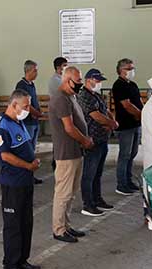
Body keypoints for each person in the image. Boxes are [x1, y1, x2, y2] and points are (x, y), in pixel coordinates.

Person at [0, 89, 41, 269]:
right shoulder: (2, 126)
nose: (28, 109)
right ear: (13, 105)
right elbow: (4, 155)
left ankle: (22, 259)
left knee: (26, 222)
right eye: (25, 106)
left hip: (26, 181)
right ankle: (10, 263)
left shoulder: (18, 122)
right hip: (12, 182)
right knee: (13, 225)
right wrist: (28, 165)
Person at [49, 66, 93, 243]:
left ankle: (66, 225)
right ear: (67, 81)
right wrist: (85, 141)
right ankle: (59, 229)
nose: (80, 84)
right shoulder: (60, 99)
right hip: (66, 153)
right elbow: (69, 127)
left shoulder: (70, 97)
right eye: (78, 81)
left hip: (75, 152)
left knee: (71, 192)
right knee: (63, 193)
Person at [78, 69, 118, 217]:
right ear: (89, 80)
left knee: (98, 173)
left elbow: (105, 111)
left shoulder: (97, 95)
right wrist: (111, 124)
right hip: (92, 139)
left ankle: (97, 199)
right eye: (97, 80)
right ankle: (88, 204)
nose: (99, 83)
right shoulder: (84, 96)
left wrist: (111, 121)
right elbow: (95, 115)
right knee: (89, 173)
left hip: (102, 139)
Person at [112, 58, 143, 196]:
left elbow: (138, 101)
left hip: (136, 124)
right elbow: (126, 105)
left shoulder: (133, 84)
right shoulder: (119, 85)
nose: (132, 71)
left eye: (132, 68)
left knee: (133, 153)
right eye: (129, 69)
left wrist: (143, 113)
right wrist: (140, 115)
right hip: (125, 125)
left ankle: (128, 180)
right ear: (121, 70)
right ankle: (121, 183)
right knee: (124, 155)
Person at [15, 60, 44, 184]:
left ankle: (30, 174)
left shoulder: (31, 84)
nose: (36, 73)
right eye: (35, 70)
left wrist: (39, 109)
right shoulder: (21, 85)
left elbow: (34, 101)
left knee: (32, 149)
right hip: (27, 122)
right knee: (26, 149)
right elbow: (25, 104)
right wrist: (36, 112)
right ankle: (25, 174)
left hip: (34, 121)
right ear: (28, 70)